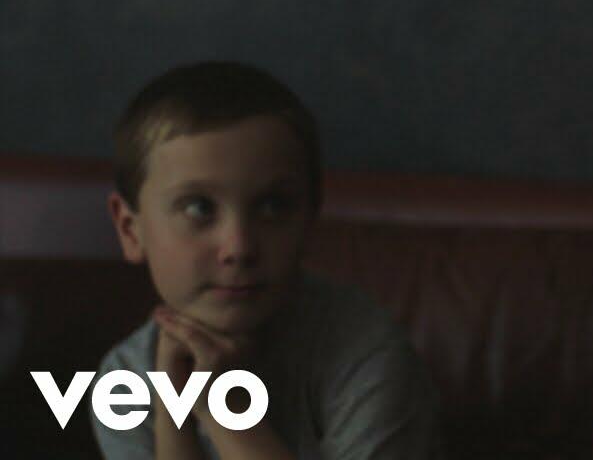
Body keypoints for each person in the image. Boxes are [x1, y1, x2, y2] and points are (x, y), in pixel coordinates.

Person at [94, 62, 439, 459]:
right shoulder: (125, 379)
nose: (239, 247)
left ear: (309, 219)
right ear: (130, 230)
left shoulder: (368, 358)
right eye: (199, 208)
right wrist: (175, 411)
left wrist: (225, 410)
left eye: (273, 206)